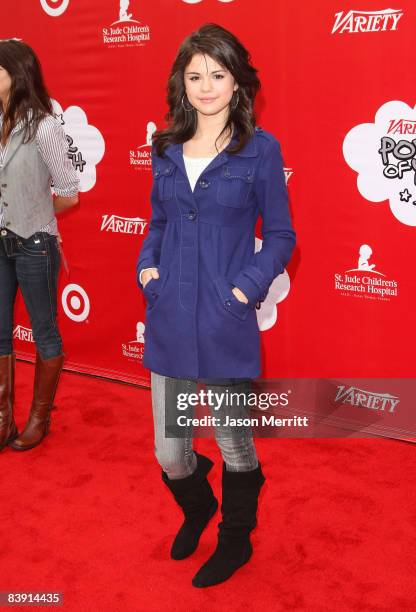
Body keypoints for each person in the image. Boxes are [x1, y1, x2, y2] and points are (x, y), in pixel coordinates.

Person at [136, 23, 296, 587]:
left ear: (237, 82)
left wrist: (244, 289)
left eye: (218, 75)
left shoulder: (261, 148)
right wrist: (147, 268)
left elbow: (280, 235)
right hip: (169, 315)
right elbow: (157, 222)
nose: (206, 86)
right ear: (182, 81)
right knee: (171, 454)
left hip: (225, 316)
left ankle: (235, 540)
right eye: (195, 75)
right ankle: (198, 506)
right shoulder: (165, 145)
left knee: (233, 442)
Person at [0, 40, 79, 452]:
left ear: (17, 74)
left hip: (35, 242)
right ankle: (2, 419)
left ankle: (38, 419)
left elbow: (69, 191)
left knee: (45, 333)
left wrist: (35, 214)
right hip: (0, 241)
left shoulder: (45, 126)